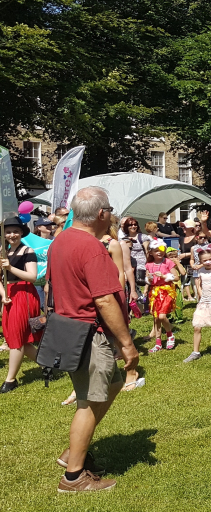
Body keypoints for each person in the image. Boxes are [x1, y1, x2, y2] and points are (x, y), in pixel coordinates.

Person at [49, 187, 139, 492]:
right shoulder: (91, 247)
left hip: (68, 329)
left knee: (112, 385)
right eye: (110, 209)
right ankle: (73, 476)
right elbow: (104, 300)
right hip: (89, 332)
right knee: (88, 402)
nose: (111, 214)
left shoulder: (60, 241)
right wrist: (126, 343)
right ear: (102, 214)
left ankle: (74, 453)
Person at [0, 217, 40, 392]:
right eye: (8, 232)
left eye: (15, 231)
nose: (12, 235)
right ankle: (49, 364)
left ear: (22, 232)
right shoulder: (3, 252)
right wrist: (3, 295)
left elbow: (33, 277)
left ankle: (10, 380)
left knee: (17, 339)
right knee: (16, 338)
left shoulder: (27, 250)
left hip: (24, 294)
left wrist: (10, 268)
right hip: (9, 296)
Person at [145, 240, 184, 353]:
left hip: (166, 291)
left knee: (162, 317)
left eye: (161, 250)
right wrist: (150, 279)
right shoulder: (149, 264)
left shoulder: (167, 262)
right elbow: (147, 279)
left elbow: (176, 277)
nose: (159, 252)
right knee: (156, 318)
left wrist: (164, 276)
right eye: (156, 250)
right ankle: (158, 343)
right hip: (154, 292)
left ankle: (170, 335)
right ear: (151, 252)